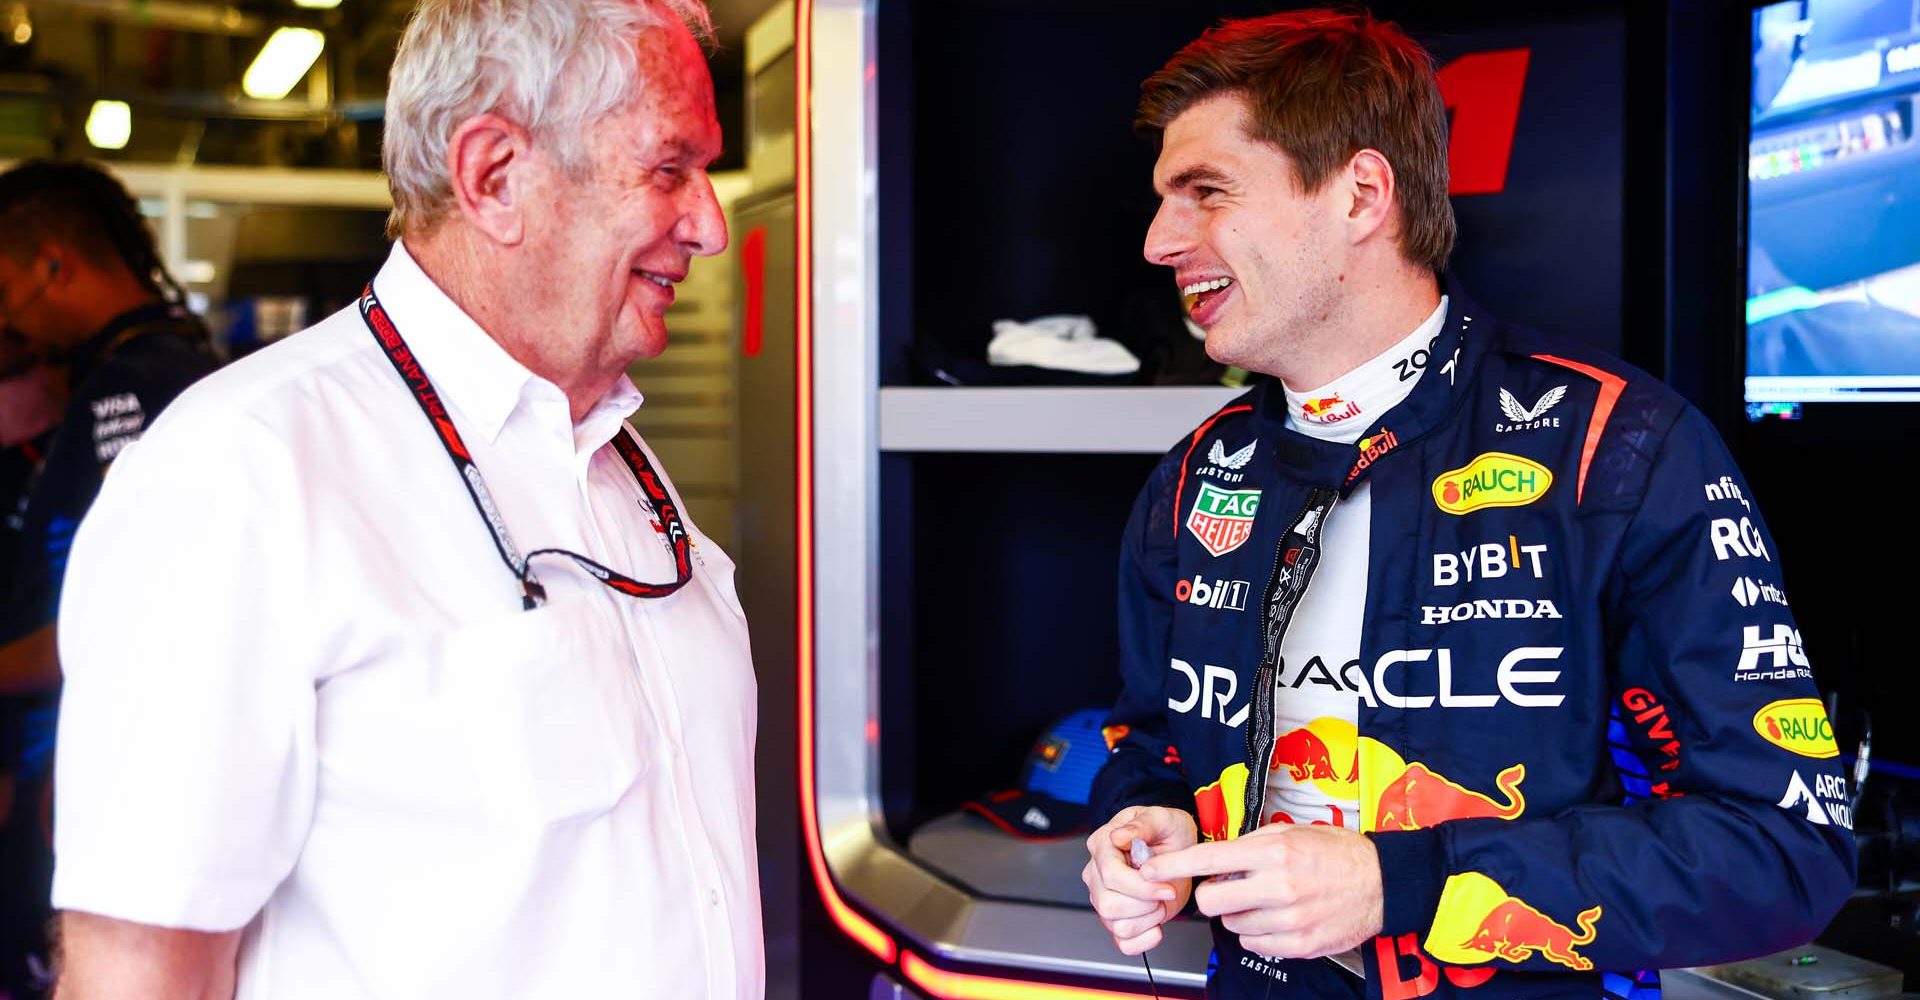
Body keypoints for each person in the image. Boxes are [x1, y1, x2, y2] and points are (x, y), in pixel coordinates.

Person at [1081, 10, 1854, 998]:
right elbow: (1147, 747)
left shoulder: (1618, 450)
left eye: (1206, 194)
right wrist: (1148, 819)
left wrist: (1401, 883)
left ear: (1361, 194)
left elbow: (1785, 846)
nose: (1157, 241)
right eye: (1163, 201)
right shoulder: (1196, 476)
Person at [49, 1, 760, 997]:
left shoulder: (614, 461)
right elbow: (140, 972)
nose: (712, 225)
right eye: (669, 168)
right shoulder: (238, 473)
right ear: (495, 176)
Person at [0, 160, 219, 695]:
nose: (8, 319)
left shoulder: (137, 383)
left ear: (54, 266)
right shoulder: (132, 368)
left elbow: (145, 608)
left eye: (3, 291)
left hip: (92, 739)